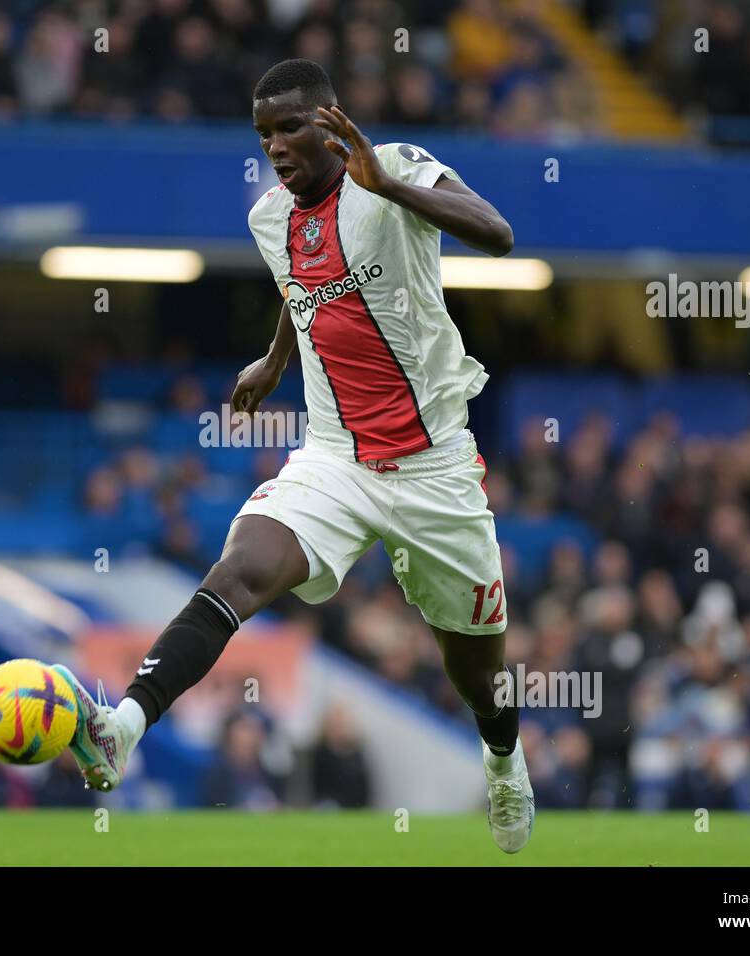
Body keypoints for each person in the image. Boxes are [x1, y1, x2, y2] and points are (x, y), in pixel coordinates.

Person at [53, 58, 533, 853]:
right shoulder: (270, 218)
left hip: (435, 466)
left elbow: (500, 236)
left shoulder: (397, 168)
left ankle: (505, 761)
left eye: (288, 127)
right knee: (239, 569)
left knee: (477, 673)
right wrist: (276, 359)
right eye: (263, 133)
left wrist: (386, 184)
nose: (274, 145)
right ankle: (121, 727)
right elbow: (303, 284)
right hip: (335, 456)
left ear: (331, 122)